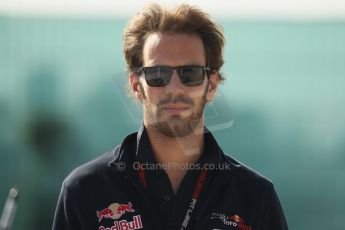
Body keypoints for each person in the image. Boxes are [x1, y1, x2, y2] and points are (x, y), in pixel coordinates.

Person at [52, 3, 288, 230]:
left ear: (212, 84)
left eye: (190, 73)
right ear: (136, 85)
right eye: (157, 74)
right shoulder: (84, 191)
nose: (175, 87)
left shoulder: (256, 197)